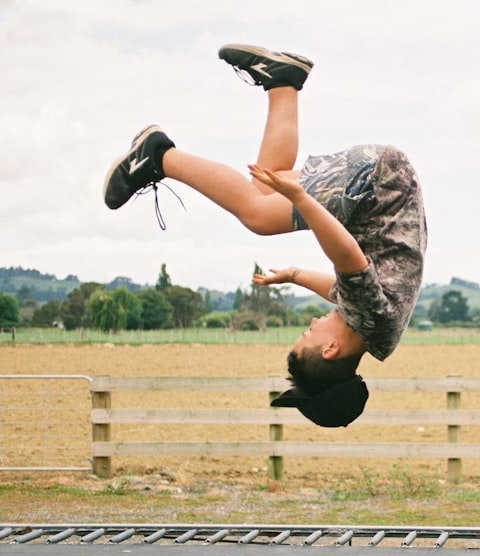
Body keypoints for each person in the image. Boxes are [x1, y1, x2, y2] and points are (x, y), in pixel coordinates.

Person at [102, 44, 427, 427]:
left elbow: (342, 289)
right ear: (330, 348)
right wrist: (302, 199)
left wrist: (292, 275)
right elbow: (347, 257)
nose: (310, 324)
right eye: (308, 333)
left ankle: (283, 83)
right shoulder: (370, 318)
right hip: (377, 184)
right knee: (258, 215)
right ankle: (158, 156)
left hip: (385, 184)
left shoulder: (375, 335)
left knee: (262, 187)